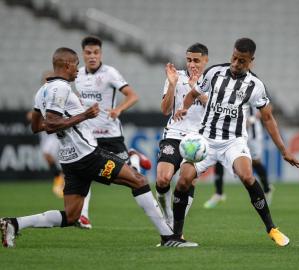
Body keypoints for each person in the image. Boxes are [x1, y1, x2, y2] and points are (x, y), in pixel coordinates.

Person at [0, 47, 189, 248]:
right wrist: (84, 115)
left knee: (72, 216)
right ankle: (168, 238)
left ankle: (15, 223)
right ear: (67, 65)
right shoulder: (61, 88)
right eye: (76, 65)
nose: (77, 69)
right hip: (87, 155)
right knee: (139, 180)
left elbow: (36, 126)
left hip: (69, 160)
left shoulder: (42, 91)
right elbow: (53, 123)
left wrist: (65, 123)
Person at [171, 38, 299, 247]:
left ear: (251, 61)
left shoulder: (256, 86)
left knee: (247, 175)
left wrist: (284, 151)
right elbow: (194, 93)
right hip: (205, 139)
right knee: (183, 181)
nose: (235, 63)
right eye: (234, 58)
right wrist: (184, 108)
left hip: (233, 141)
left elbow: (268, 119)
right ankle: (176, 236)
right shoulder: (214, 72)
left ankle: (272, 229)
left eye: (241, 61)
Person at [74, 36, 152, 229]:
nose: (92, 56)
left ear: (101, 53)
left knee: (130, 174)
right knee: (84, 174)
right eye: (88, 52)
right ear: (83, 54)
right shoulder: (77, 75)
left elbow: (133, 96)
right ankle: (83, 216)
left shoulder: (110, 73)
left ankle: (133, 156)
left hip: (110, 133)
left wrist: (119, 109)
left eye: (96, 52)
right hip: (88, 135)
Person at [156, 43, 209, 228]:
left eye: (196, 60)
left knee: (186, 181)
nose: (192, 64)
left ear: (205, 60)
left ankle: (175, 228)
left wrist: (196, 88)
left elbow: (213, 110)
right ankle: (168, 216)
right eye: (189, 60)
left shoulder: (214, 80)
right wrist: (171, 85)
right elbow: (164, 110)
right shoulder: (176, 77)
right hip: (174, 134)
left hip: (197, 139)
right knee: (163, 179)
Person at [204, 105, 273, 209]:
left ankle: (267, 189)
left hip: (252, 134)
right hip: (232, 133)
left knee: (255, 162)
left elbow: (268, 108)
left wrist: (252, 119)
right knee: (219, 157)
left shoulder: (258, 88)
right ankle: (219, 193)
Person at [26, 71, 65, 198]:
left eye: (51, 79)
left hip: (56, 131)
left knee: (50, 154)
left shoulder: (60, 93)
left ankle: (60, 179)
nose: (48, 81)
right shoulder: (39, 95)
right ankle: (60, 178)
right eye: (46, 79)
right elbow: (34, 112)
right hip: (45, 132)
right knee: (47, 155)